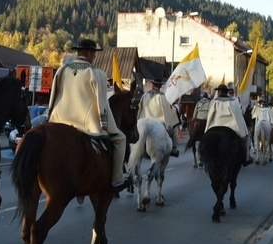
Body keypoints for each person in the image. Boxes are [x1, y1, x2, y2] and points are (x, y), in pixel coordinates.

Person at [47, 38, 128, 192]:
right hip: (86, 124)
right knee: (121, 139)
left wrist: (50, 115)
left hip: (58, 119)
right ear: (90, 52)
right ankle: (117, 179)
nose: (95, 57)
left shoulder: (62, 70)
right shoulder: (96, 73)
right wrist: (106, 125)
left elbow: (53, 97)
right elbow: (102, 103)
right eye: (94, 53)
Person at [204, 84, 254, 166]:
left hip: (215, 125)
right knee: (246, 139)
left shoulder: (214, 101)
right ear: (226, 92)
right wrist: (243, 131)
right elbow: (238, 116)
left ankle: (203, 158)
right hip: (232, 127)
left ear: (219, 92)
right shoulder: (234, 102)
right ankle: (247, 158)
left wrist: (206, 131)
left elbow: (210, 116)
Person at [139, 78, 180, 157]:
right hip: (159, 122)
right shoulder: (163, 97)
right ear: (161, 85)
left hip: (144, 120)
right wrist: (169, 126)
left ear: (153, 85)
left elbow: (140, 108)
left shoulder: (144, 95)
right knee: (175, 130)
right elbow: (166, 112)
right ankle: (174, 149)